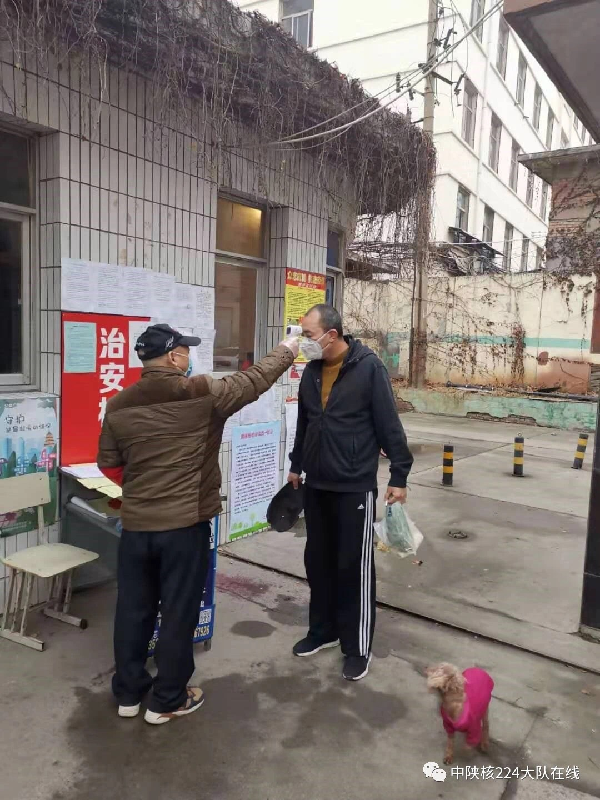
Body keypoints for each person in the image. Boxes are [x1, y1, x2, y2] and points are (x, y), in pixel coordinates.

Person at [98, 323, 298, 724]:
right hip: (183, 528)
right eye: (185, 350)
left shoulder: (118, 404)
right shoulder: (201, 393)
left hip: (136, 528)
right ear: (174, 357)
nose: (189, 357)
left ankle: (128, 694)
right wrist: (288, 349)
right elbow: (254, 380)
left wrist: (144, 491)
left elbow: (109, 464)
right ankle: (167, 700)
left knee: (133, 609)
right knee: (178, 612)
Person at [288, 305, 413, 681]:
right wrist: (296, 464)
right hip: (317, 483)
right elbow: (305, 422)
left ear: (332, 334)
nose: (304, 342)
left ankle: (357, 646)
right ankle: (322, 631)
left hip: (353, 485)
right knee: (318, 562)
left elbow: (388, 423)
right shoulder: (311, 371)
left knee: (353, 567)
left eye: (309, 335)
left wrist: (399, 475)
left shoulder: (368, 368)